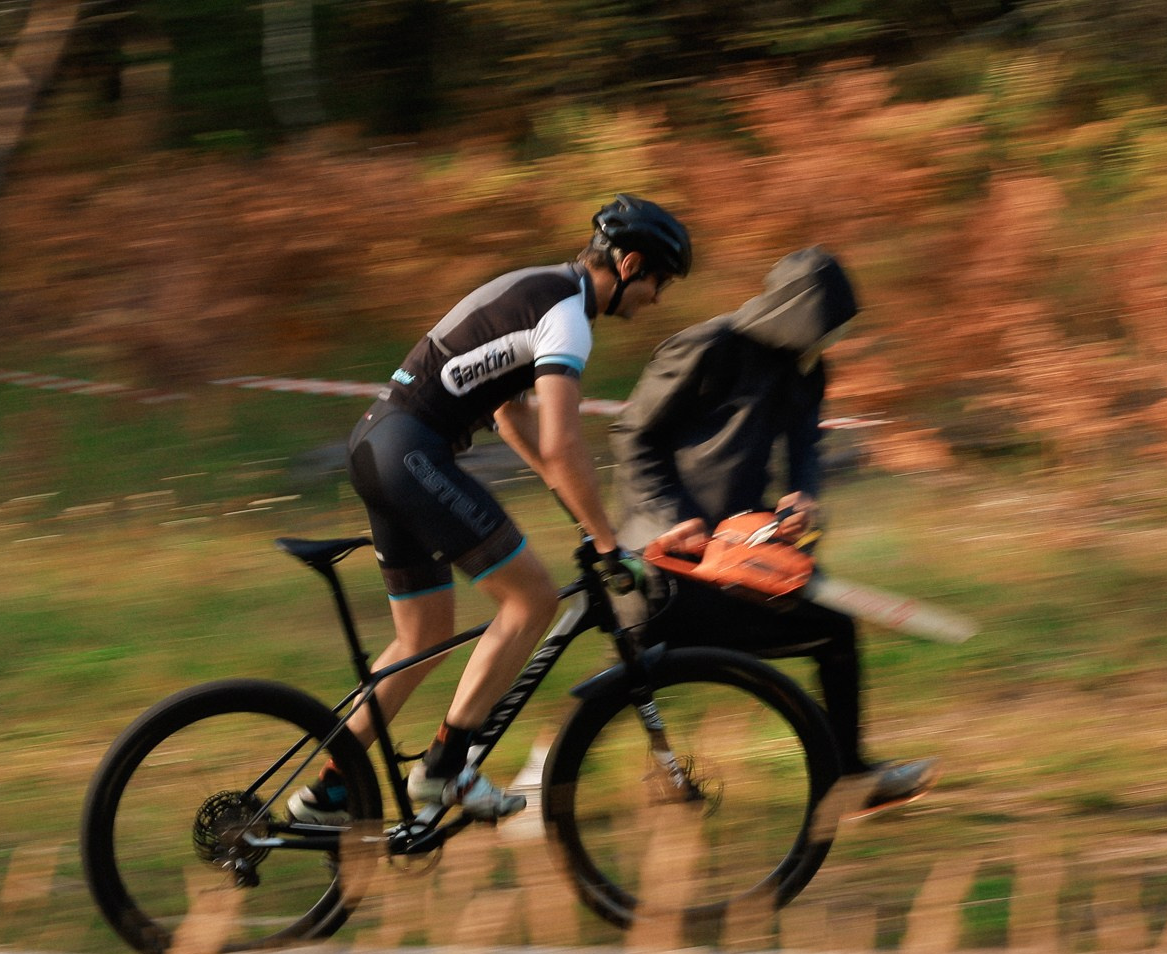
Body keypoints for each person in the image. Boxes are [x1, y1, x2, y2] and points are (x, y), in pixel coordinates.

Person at [288, 195, 693, 825]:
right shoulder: (568, 317)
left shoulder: (541, 287)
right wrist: (607, 543)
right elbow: (562, 442)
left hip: (377, 444)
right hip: (411, 453)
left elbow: (511, 416)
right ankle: (444, 769)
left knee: (422, 638)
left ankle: (331, 790)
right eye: (658, 283)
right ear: (630, 264)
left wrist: (572, 504)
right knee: (531, 599)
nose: (657, 299)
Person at [611, 246, 936, 811]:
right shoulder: (705, 347)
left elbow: (805, 447)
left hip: (741, 558)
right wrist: (673, 518)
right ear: (794, 310)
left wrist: (804, 498)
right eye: (823, 325)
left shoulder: (804, 368)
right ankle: (545, 784)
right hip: (663, 563)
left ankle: (849, 778)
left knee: (834, 630)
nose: (828, 340)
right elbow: (633, 436)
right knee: (623, 676)